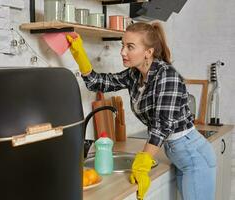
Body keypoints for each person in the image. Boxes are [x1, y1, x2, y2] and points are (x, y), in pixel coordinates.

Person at [66, 21, 216, 200]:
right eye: (123, 45)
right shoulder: (134, 75)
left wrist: (142, 164)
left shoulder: (167, 76)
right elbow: (98, 83)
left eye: (130, 47)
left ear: (148, 52)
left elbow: (161, 125)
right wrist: (79, 55)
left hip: (194, 155)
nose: (122, 52)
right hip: (179, 154)